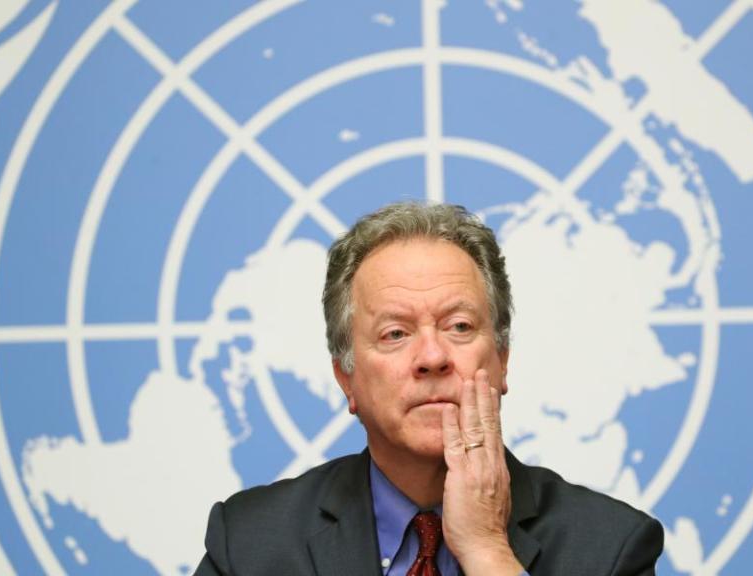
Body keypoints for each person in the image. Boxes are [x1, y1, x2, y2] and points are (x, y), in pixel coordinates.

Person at [194, 202, 664, 575]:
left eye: (459, 326)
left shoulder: (611, 548)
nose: (433, 356)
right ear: (346, 377)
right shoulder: (249, 545)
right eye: (395, 333)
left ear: (501, 360)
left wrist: (487, 552)